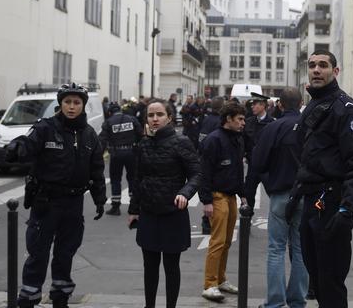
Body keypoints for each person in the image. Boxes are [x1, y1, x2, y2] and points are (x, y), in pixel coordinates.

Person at [4, 83, 108, 308]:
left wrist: (100, 198)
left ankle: (60, 298)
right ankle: (28, 300)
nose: (72, 107)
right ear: (61, 104)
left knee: (65, 254)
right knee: (38, 254)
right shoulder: (46, 127)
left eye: (76, 102)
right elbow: (27, 143)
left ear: (83, 105)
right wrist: (16, 147)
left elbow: (97, 169)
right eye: (68, 102)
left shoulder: (89, 134)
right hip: (46, 202)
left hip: (73, 203)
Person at [291, 50, 353, 308]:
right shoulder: (313, 105)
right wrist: (295, 196)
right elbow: (307, 156)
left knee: (331, 283)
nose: (316, 69)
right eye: (312, 65)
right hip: (311, 200)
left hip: (331, 202)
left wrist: (347, 208)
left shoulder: (347, 110)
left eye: (323, 65)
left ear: (335, 72)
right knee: (316, 278)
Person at [128, 99, 203, 308]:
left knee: (171, 267)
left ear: (169, 118)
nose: (154, 119)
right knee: (149, 266)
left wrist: (185, 193)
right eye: (150, 115)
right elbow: (138, 178)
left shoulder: (182, 142)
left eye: (159, 115)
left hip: (173, 213)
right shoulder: (143, 144)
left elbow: (197, 173)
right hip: (149, 213)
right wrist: (134, 209)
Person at [246, 88, 308, 308]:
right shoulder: (310, 127)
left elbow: (257, 163)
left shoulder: (273, 128)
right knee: (301, 249)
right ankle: (297, 299)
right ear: (301, 103)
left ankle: (275, 301)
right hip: (306, 193)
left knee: (276, 249)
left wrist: (250, 197)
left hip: (281, 193)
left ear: (279, 105)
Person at [198, 102, 248, 302]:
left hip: (231, 197)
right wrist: (207, 201)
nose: (243, 123)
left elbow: (237, 171)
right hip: (217, 196)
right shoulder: (214, 140)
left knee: (226, 242)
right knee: (217, 242)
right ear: (228, 119)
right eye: (240, 119)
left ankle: (220, 279)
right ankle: (209, 284)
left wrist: (243, 194)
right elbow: (205, 172)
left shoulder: (237, 139)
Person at [99, 103, 144, 216]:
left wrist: (97, 156)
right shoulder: (132, 119)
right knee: (133, 178)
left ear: (110, 112)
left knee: (115, 179)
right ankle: (134, 205)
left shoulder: (108, 122)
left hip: (116, 154)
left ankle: (115, 207)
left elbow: (102, 140)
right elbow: (141, 134)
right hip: (131, 153)